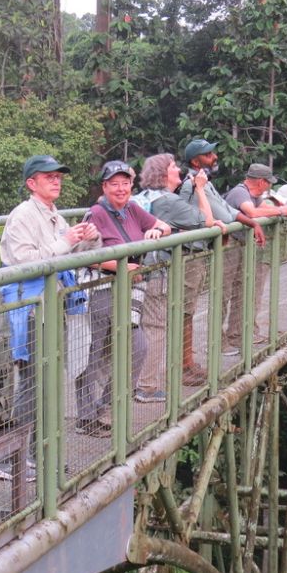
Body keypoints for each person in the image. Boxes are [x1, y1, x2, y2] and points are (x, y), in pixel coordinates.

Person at [0, 155, 102, 482]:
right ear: (31, 183)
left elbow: (70, 255)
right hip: (29, 306)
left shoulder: (53, 215)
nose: (56, 181)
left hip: (51, 304)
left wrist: (88, 238)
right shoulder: (23, 216)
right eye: (48, 176)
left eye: (58, 176)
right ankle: (7, 458)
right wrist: (66, 241)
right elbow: (24, 261)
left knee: (47, 381)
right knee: (32, 382)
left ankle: (35, 453)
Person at [77, 160, 171, 435]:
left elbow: (165, 226)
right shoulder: (95, 214)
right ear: (104, 187)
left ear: (131, 185)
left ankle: (106, 406)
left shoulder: (132, 209)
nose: (120, 189)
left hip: (127, 291)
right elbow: (84, 256)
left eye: (125, 183)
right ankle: (86, 417)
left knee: (137, 348)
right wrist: (120, 266)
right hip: (100, 289)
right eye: (114, 184)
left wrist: (156, 231)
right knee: (92, 353)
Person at [133, 153, 226, 403]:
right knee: (155, 328)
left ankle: (132, 383)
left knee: (136, 327)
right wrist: (200, 189)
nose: (178, 170)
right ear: (163, 174)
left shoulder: (145, 197)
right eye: (173, 167)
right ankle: (146, 386)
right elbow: (206, 221)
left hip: (137, 269)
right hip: (155, 272)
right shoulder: (168, 201)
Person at [177, 139, 265, 382]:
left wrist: (252, 223)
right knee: (185, 310)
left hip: (195, 253)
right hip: (187, 253)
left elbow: (225, 208)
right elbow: (224, 213)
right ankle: (183, 366)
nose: (214, 157)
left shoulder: (204, 182)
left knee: (188, 309)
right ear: (196, 161)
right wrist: (252, 222)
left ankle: (187, 363)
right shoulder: (194, 183)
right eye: (208, 154)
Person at [221, 163, 287, 354]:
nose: (269, 186)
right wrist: (281, 211)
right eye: (268, 182)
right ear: (260, 182)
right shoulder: (240, 192)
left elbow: (264, 207)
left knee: (240, 292)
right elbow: (253, 213)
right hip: (228, 246)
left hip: (241, 246)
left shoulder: (254, 196)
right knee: (223, 293)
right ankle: (217, 341)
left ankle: (236, 335)